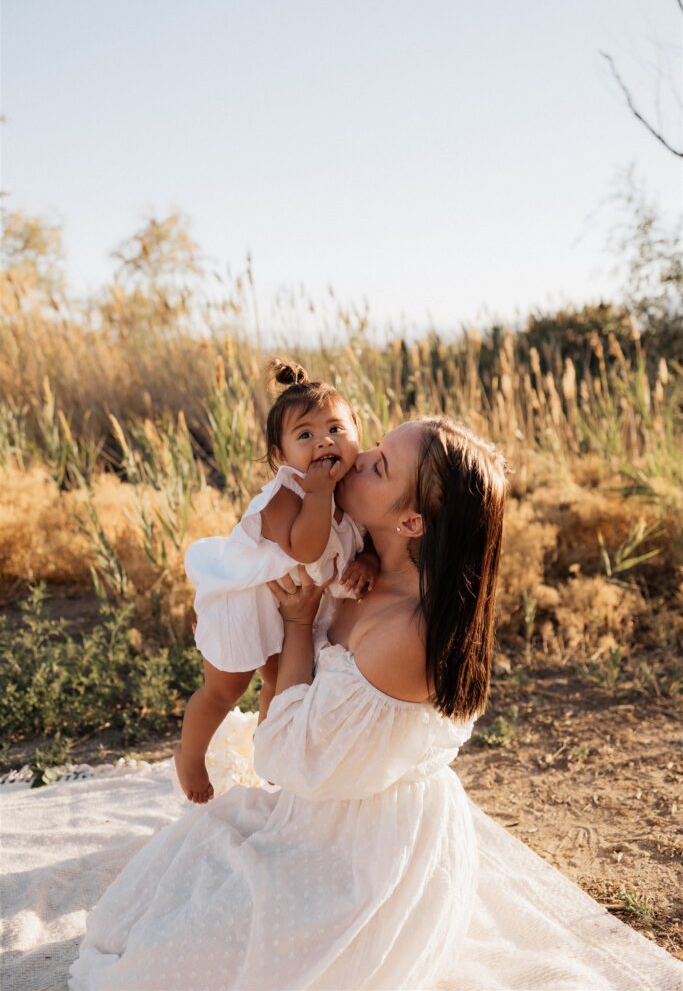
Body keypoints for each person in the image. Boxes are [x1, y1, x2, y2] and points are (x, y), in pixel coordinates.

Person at [67, 414, 510, 991]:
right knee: (169, 901)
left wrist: (299, 623)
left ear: (410, 521)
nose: (360, 456)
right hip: (325, 797)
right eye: (375, 445)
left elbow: (284, 755)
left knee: (182, 955)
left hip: (365, 847)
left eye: (380, 465)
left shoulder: (407, 635)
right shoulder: (359, 551)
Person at [176, 358, 379, 802]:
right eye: (305, 435)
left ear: (357, 434)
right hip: (246, 602)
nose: (324, 441)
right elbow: (306, 549)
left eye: (335, 429)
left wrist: (369, 562)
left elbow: (365, 542)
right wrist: (319, 492)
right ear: (281, 456)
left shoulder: (354, 488)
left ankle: (274, 763)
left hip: (296, 608)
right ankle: (189, 757)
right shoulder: (286, 494)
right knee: (224, 688)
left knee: (280, 683)